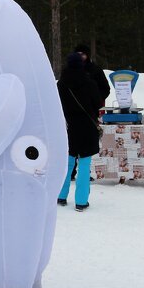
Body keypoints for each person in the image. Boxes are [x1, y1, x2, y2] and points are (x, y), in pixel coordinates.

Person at [57, 51, 104, 211]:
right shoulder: (88, 82)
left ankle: (61, 196)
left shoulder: (61, 84)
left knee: (68, 163)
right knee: (84, 163)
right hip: (87, 126)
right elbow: (98, 103)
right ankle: (81, 201)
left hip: (69, 127)